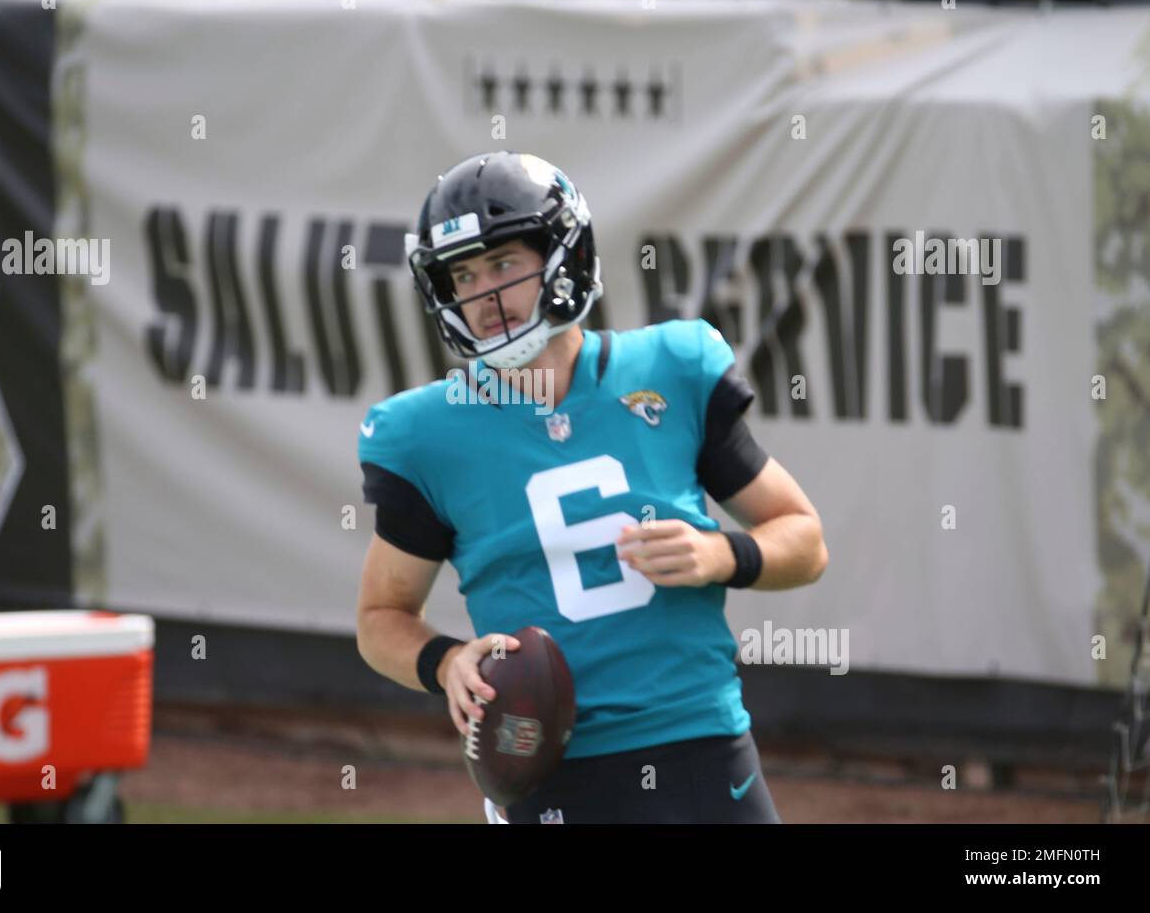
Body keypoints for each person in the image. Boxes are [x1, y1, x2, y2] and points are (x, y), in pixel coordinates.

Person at [355, 151, 828, 823]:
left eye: (503, 264)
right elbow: (380, 618)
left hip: (699, 736)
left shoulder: (672, 369)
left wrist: (722, 555)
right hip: (549, 762)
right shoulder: (426, 435)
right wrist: (447, 660)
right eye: (462, 275)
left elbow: (805, 541)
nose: (484, 296)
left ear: (562, 255)